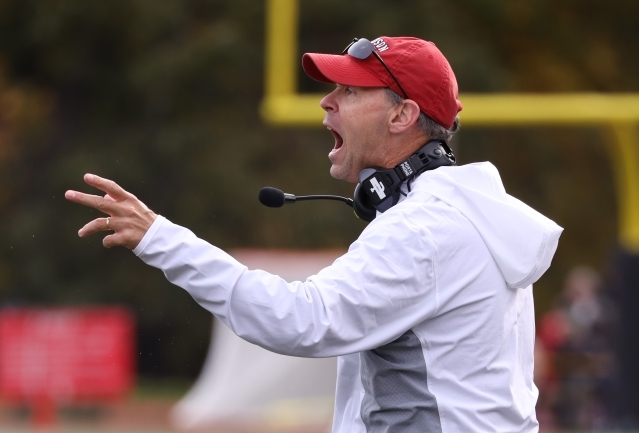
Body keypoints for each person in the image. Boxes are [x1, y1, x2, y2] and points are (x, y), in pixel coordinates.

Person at [66, 36, 563, 432]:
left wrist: (159, 237)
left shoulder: (426, 229)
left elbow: (300, 321)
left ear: (402, 115)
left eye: (349, 90)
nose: (326, 102)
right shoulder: (457, 215)